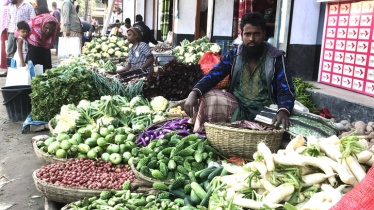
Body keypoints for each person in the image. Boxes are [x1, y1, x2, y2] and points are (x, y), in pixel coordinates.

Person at [184, 12, 295, 133]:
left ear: (263, 34)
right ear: (241, 35)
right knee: (208, 96)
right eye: (247, 34)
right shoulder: (233, 56)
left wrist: (283, 111)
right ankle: (203, 132)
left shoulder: (277, 59)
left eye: (256, 34)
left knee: (289, 125)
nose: (251, 39)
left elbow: (286, 90)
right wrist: (195, 92)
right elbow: (213, 75)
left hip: (266, 111)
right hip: (236, 107)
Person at [0, 0, 11, 71]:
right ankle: (6, 64)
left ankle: (4, 64)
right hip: (8, 30)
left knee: (4, 47)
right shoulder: (9, 7)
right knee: (8, 48)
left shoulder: (4, 8)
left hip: (3, 30)